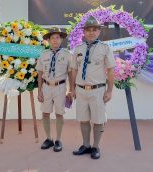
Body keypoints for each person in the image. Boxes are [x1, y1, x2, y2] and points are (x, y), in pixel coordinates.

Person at [71, 16, 115, 159]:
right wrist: (72, 89)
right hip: (81, 90)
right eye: (88, 30)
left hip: (98, 90)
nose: (91, 32)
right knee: (83, 119)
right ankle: (85, 145)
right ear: (84, 32)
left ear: (99, 32)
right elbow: (74, 70)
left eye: (94, 30)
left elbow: (110, 71)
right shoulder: (78, 49)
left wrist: (109, 91)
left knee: (98, 120)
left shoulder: (105, 48)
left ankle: (96, 147)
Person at [36, 27, 73, 152]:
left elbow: (70, 74)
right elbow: (40, 73)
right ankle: (48, 138)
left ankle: (58, 139)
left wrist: (71, 90)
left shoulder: (67, 55)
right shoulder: (43, 54)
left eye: (57, 37)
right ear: (49, 40)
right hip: (46, 87)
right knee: (45, 113)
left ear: (61, 39)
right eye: (52, 38)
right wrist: (39, 90)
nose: (55, 40)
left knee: (59, 114)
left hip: (60, 87)